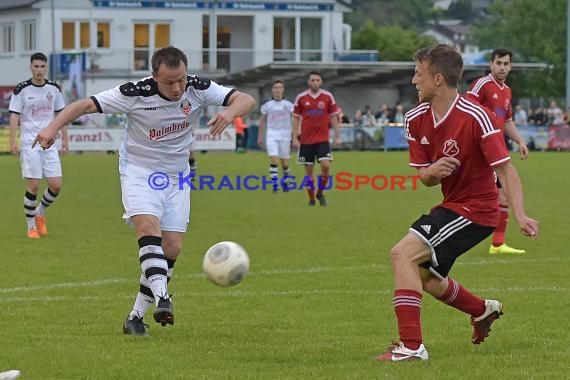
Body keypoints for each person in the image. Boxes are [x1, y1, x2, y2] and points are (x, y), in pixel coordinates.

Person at [33, 46, 255, 336]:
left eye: (181, 80)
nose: (177, 88)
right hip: (139, 169)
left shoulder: (198, 88)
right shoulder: (135, 92)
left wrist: (229, 111)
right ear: (154, 77)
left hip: (177, 175)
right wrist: (52, 128)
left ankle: (135, 318)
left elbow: (246, 99)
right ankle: (163, 297)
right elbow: (84, 105)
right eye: (169, 82)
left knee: (172, 247)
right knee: (148, 227)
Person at [377, 44, 539, 362]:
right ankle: (482, 310)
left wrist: (520, 215)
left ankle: (411, 347)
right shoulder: (414, 119)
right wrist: (432, 172)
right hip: (452, 205)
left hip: (478, 210)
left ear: (438, 79)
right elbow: (424, 177)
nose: (413, 80)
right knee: (424, 277)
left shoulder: (476, 116)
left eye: (418, 74)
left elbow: (506, 170)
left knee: (402, 254)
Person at [466, 48, 529, 254]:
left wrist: (520, 140)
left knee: (502, 196)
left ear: (510, 66)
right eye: (498, 63)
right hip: (479, 150)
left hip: (496, 150)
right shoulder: (482, 85)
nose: (502, 67)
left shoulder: (507, 91)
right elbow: (467, 112)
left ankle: (498, 243)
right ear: (491, 64)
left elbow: (507, 120)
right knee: (472, 196)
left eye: (506, 64)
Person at [9, 52, 69, 239]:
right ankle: (30, 227)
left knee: (56, 185)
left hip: (49, 144)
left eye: (43, 67)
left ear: (46, 68)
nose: (39, 70)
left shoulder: (54, 88)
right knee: (33, 186)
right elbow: (14, 116)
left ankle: (39, 213)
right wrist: (13, 141)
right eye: (36, 66)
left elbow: (61, 114)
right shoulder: (22, 90)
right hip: (29, 144)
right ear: (31, 67)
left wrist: (65, 139)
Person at [292, 71, 341, 206]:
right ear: (308, 82)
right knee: (309, 172)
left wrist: (338, 136)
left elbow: (333, 117)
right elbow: (295, 119)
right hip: (306, 141)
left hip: (323, 139)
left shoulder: (327, 97)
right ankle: (312, 199)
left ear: (321, 82)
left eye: (317, 80)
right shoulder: (301, 98)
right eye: (312, 80)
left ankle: (320, 192)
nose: (315, 82)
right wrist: (295, 138)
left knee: (325, 165)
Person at [257, 79, 294, 192]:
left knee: (285, 163)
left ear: (283, 90)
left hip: (285, 135)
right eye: (276, 88)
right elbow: (262, 121)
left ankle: (286, 180)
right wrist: (260, 136)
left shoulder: (289, 104)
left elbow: (296, 118)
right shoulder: (267, 105)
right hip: (271, 134)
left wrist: (296, 133)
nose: (278, 90)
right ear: (272, 90)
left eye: (280, 88)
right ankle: (275, 186)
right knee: (274, 159)